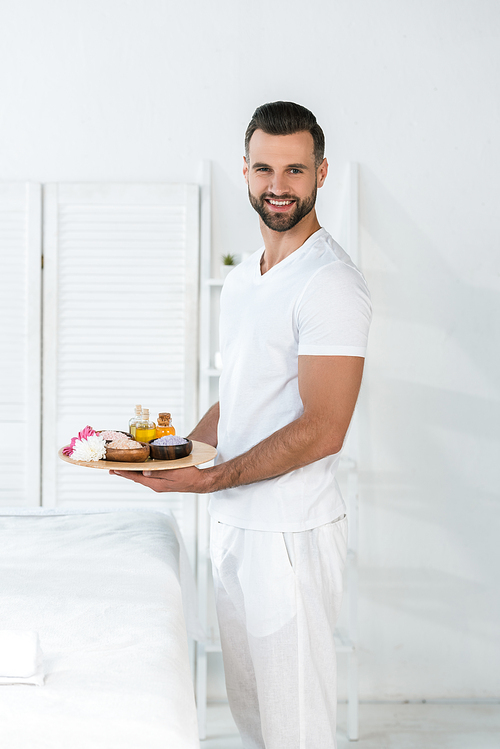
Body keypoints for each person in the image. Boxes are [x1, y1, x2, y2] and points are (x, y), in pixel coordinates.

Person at [113, 101, 372, 749]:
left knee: (297, 727)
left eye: (294, 169)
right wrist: (167, 455)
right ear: (246, 171)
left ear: (321, 173)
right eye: (264, 168)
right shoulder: (243, 281)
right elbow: (237, 397)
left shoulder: (331, 283)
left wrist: (203, 483)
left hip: (291, 533)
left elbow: (324, 427)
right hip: (236, 527)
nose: (278, 185)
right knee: (255, 720)